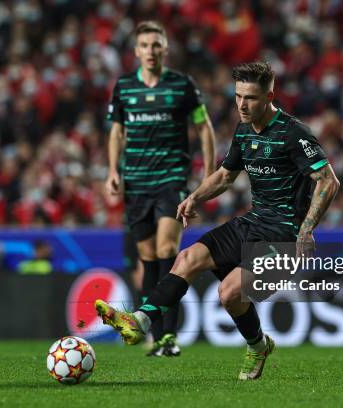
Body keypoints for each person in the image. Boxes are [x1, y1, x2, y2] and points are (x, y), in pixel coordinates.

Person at [96, 61, 339, 379]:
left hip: (283, 235)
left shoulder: (293, 133)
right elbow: (225, 176)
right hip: (252, 222)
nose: (242, 104)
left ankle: (257, 346)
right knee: (187, 258)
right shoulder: (243, 130)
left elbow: (328, 180)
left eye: (250, 98)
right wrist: (194, 197)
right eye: (238, 96)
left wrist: (307, 230)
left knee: (229, 294)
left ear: (269, 96)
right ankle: (139, 323)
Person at [105, 21, 216, 357]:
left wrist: (209, 173)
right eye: (145, 45)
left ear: (166, 48)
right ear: (136, 51)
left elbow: (204, 127)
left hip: (171, 179)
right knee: (148, 258)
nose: (151, 51)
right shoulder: (124, 87)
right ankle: (152, 334)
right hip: (136, 182)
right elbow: (116, 131)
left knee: (168, 247)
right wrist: (112, 170)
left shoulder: (182, 85)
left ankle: (170, 336)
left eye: (157, 44)